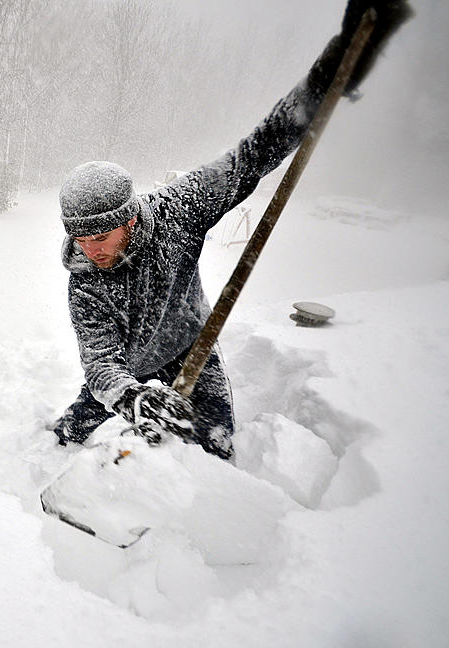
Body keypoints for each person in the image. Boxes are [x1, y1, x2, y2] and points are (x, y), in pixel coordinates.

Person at [51, 0, 411, 459]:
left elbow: (252, 153)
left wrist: (329, 73)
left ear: (131, 218)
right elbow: (101, 364)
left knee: (215, 447)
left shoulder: (177, 212)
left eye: (99, 237)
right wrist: (134, 397)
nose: (90, 250)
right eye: (80, 238)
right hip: (129, 371)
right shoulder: (85, 282)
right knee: (65, 435)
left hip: (190, 346)